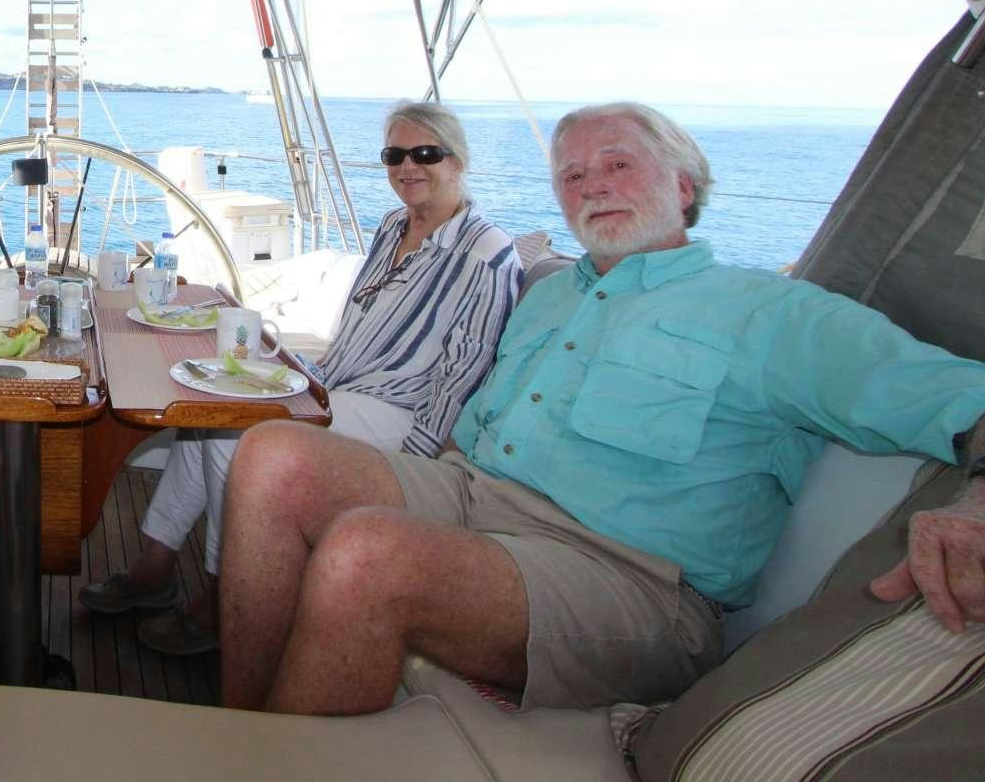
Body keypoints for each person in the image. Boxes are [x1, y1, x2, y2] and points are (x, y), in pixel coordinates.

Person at [219, 102, 985, 718]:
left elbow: (964, 401)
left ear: (684, 186)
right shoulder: (551, 293)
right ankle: (239, 729)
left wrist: (976, 508)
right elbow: (475, 431)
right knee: (273, 454)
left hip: (631, 580)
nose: (591, 186)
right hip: (479, 499)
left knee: (368, 552)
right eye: (572, 175)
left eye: (618, 165)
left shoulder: (776, 315)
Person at [79, 101, 522, 656]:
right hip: (336, 383)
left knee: (237, 436)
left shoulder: (485, 253)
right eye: (395, 155)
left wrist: (415, 467)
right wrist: (305, 379)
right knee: (204, 411)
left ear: (458, 162)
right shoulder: (392, 226)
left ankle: (225, 597)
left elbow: (465, 373)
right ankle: (156, 568)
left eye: (426, 153)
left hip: (398, 415)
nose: (409, 166)